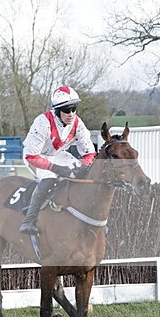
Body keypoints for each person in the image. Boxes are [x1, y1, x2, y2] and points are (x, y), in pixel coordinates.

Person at [19, 85, 97, 235]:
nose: (71, 114)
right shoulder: (42, 123)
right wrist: (55, 168)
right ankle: (29, 219)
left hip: (58, 154)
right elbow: (31, 156)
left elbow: (89, 153)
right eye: (66, 110)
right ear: (57, 110)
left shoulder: (78, 124)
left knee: (85, 173)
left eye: (74, 108)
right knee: (49, 178)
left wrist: (84, 166)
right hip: (36, 156)